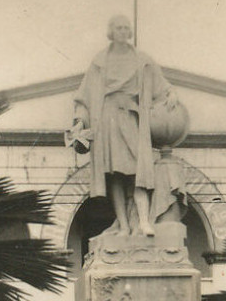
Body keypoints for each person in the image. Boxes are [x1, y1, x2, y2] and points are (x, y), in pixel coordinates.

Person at [71, 15, 172, 238]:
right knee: (115, 174)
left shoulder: (142, 59)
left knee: (139, 171)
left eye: (127, 28)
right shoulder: (99, 61)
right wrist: (80, 120)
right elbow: (84, 96)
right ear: (111, 31)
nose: (123, 31)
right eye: (119, 28)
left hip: (133, 118)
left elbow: (161, 86)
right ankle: (124, 225)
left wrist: (170, 94)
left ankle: (144, 221)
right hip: (107, 119)